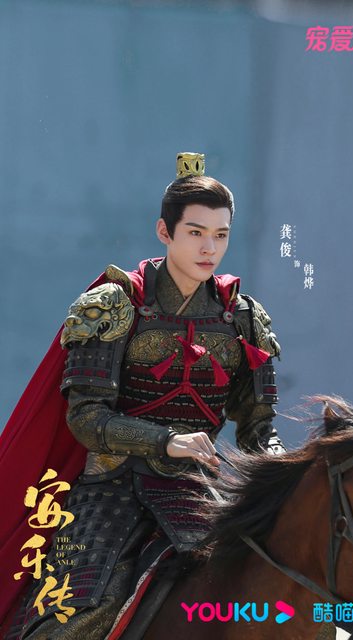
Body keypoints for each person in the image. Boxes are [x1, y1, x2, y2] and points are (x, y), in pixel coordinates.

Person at [4, 152, 284, 640]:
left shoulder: (243, 318)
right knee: (77, 614)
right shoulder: (115, 306)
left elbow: (258, 427)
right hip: (112, 488)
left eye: (221, 235)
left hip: (198, 490)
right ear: (164, 232)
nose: (209, 248)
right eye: (196, 232)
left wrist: (288, 467)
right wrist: (166, 441)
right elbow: (87, 418)